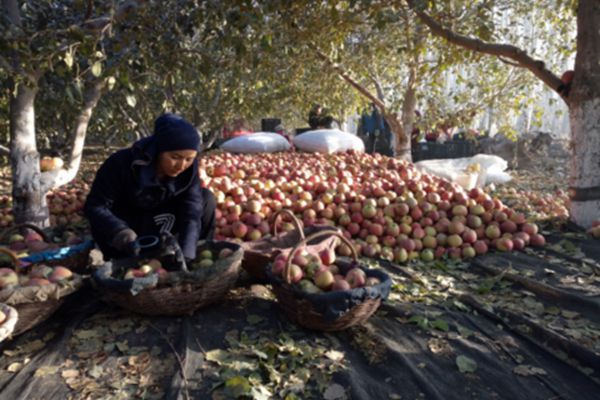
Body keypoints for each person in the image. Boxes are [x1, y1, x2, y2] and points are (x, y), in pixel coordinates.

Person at [84, 113, 216, 262]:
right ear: (159, 150)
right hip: (128, 223)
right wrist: (120, 231)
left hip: (161, 221)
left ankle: (189, 256)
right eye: (175, 157)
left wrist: (187, 254)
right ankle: (128, 258)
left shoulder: (189, 170)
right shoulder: (120, 163)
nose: (182, 165)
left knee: (206, 199)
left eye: (189, 159)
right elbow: (95, 206)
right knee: (127, 253)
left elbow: (192, 210)